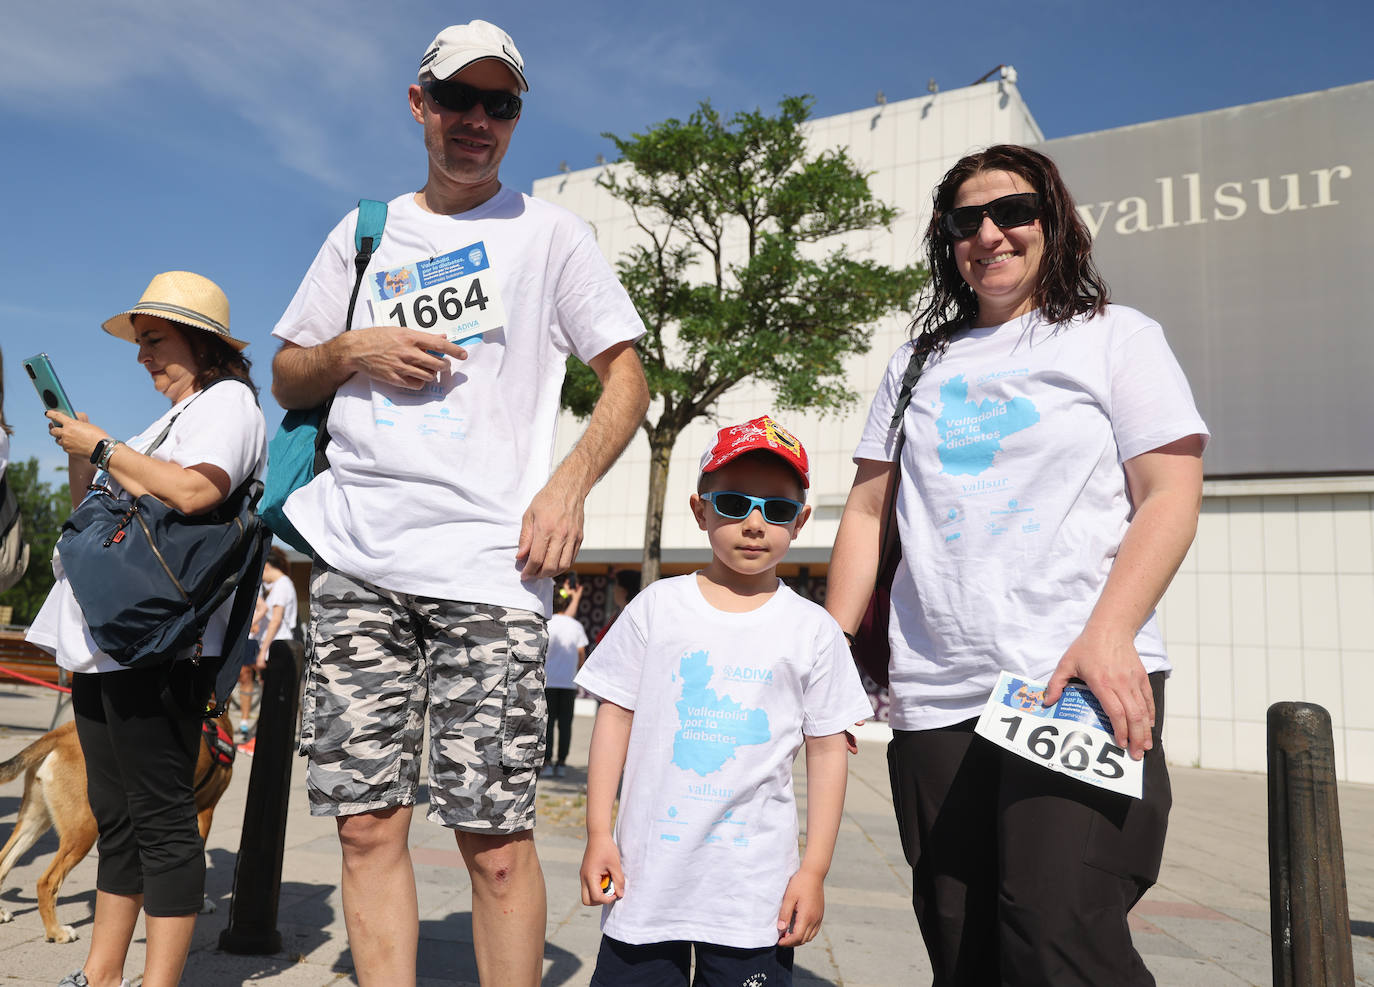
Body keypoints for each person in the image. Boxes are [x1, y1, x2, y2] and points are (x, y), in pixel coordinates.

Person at [269, 20, 648, 987]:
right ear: (419, 105)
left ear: (516, 117)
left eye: (501, 104)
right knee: (364, 829)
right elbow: (286, 372)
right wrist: (356, 348)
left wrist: (567, 486)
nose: (477, 121)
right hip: (358, 559)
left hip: (491, 570)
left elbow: (628, 379)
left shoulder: (552, 233)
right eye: (458, 100)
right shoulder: (364, 231)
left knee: (494, 839)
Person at [825, 144, 1208, 986]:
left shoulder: (1116, 336)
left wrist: (1108, 635)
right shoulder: (916, 362)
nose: (990, 234)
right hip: (935, 695)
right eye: (967, 221)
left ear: (1055, 222)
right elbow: (865, 511)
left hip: (1073, 679)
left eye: (1013, 213)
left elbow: (1170, 495)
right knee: (962, 947)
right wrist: (821, 650)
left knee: (1058, 936)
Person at [26, 271, 267, 987]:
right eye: (140, 342)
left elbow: (197, 490)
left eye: (153, 339)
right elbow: (96, 517)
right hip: (112, 638)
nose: (141, 356)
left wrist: (102, 448)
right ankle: (101, 974)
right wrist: (86, 458)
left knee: (161, 819)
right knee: (118, 815)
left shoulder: (230, 405)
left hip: (162, 638)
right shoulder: (164, 421)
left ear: (203, 343)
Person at [576, 416, 873, 987]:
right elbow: (614, 719)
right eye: (735, 503)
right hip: (646, 880)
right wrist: (597, 834)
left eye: (778, 510)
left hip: (752, 893)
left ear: (801, 522)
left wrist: (813, 871)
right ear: (700, 510)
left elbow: (829, 752)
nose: (755, 523)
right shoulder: (656, 608)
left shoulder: (814, 631)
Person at [238, 546, 297, 753]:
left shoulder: (282, 585)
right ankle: (265, 741)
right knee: (269, 695)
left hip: (277, 647)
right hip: (274, 647)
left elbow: (276, 621)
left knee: (273, 697)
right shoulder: (280, 586)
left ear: (268, 566)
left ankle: (266, 743)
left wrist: (262, 651)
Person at [541, 575, 587, 779]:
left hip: (548, 682)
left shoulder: (547, 624)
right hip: (568, 684)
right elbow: (580, 654)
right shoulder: (575, 626)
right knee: (565, 725)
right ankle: (561, 763)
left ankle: (547, 762)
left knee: (548, 724)